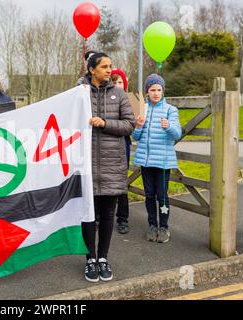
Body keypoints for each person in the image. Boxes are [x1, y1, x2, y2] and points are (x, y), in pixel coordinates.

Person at [80, 51, 136, 282]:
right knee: (88, 216)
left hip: (112, 165)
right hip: (86, 164)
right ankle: (90, 259)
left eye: (110, 66)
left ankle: (103, 257)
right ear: (92, 69)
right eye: (104, 66)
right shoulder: (79, 94)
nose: (109, 70)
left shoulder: (119, 93)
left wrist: (105, 123)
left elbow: (129, 125)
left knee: (107, 215)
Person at [132, 74, 182, 244]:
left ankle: (164, 227)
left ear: (163, 91)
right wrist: (138, 126)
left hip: (162, 162)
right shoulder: (142, 108)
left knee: (162, 195)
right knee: (149, 195)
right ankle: (152, 225)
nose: (156, 93)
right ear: (147, 92)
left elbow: (177, 133)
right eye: (152, 90)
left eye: (159, 90)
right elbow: (136, 137)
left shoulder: (170, 110)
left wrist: (169, 127)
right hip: (146, 162)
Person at [111, 68, 132, 235]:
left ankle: (123, 218)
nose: (117, 85)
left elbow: (130, 126)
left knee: (122, 181)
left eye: (120, 82)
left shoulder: (129, 102)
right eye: (114, 82)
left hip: (123, 143)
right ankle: (99, 216)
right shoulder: (105, 100)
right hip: (106, 145)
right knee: (104, 180)